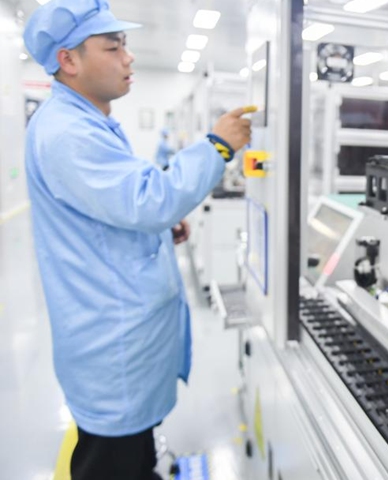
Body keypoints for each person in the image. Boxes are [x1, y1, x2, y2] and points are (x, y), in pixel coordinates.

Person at [22, 1, 252, 478]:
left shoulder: (86, 121)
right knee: (113, 463)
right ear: (69, 59)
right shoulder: (68, 132)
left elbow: (114, 208)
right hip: (112, 347)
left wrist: (159, 227)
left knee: (127, 457)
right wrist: (218, 146)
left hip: (116, 338)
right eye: (113, 46)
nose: (128, 58)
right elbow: (149, 199)